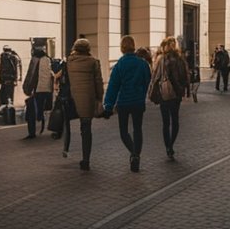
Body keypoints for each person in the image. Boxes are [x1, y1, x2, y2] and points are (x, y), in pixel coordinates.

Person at [103, 35, 152, 172]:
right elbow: (147, 80)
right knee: (138, 129)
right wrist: (141, 92)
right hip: (138, 102)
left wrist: (108, 105)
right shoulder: (142, 64)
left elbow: (113, 86)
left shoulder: (119, 65)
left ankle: (133, 153)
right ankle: (136, 154)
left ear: (122, 47)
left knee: (123, 131)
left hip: (123, 102)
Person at [62, 38, 103, 170]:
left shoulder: (69, 61)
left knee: (67, 126)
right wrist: (99, 98)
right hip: (87, 100)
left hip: (72, 100)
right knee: (86, 130)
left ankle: (66, 148)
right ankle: (86, 160)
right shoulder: (94, 62)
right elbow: (98, 82)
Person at [150, 37, 189, 160]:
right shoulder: (179, 59)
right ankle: (171, 144)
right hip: (176, 94)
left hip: (164, 93)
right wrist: (183, 89)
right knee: (175, 120)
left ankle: (168, 147)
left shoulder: (160, 60)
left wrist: (152, 91)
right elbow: (185, 76)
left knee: (165, 122)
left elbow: (155, 77)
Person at [21, 46, 53, 139]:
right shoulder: (48, 59)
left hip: (37, 90)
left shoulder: (35, 60)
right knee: (42, 108)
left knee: (31, 111)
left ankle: (32, 132)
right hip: (47, 90)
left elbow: (31, 75)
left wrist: (27, 88)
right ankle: (42, 121)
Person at [0, 45, 21, 115]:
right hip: (11, 79)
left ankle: (4, 110)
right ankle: (10, 109)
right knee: (10, 95)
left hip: (3, 79)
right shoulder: (15, 57)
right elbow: (17, 69)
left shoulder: (1, 56)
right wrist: (16, 79)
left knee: (3, 95)